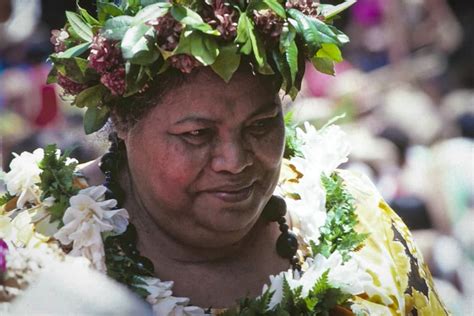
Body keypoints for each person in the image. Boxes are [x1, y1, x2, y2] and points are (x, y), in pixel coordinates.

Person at [0, 0, 448, 314]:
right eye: (196, 134)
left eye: (259, 126)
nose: (234, 161)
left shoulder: (361, 225)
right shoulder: (33, 245)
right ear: (122, 122)